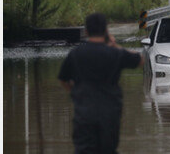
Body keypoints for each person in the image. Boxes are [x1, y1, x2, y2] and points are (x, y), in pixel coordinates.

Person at [58, 13, 144, 154]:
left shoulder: (75, 54)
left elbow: (63, 79)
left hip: (84, 113)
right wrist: (115, 45)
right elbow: (140, 60)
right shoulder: (115, 53)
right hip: (109, 114)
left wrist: (75, 92)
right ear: (106, 30)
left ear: (86, 31)